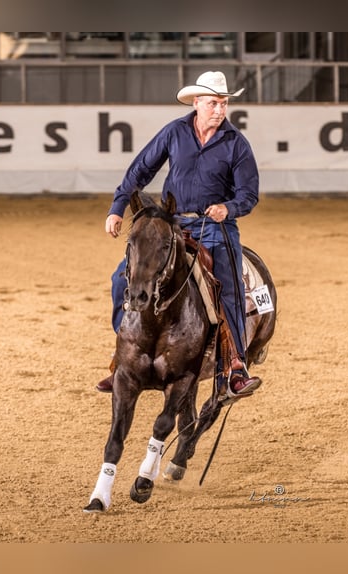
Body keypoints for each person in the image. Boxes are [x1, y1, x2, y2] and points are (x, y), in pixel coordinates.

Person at [96, 70, 261, 398]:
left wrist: (228, 207)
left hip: (216, 228)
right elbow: (141, 169)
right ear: (196, 103)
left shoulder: (236, 144)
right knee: (122, 279)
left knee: (227, 287)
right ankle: (122, 358)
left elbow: (249, 193)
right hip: (171, 226)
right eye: (213, 103)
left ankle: (234, 366)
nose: (219, 109)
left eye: (224, 103)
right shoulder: (174, 132)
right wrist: (117, 207)